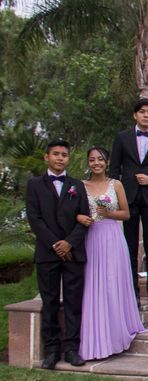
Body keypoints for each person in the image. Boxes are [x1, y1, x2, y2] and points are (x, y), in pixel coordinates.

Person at [76, 147, 146, 360]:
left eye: (100, 159)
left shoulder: (116, 185)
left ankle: (115, 334)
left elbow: (126, 214)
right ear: (88, 163)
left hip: (112, 238)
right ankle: (95, 335)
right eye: (92, 160)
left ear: (107, 162)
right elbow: (73, 211)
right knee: (93, 284)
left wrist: (109, 213)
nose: (96, 163)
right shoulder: (80, 186)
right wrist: (80, 218)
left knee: (111, 283)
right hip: (91, 238)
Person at [26, 139, 90, 369]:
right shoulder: (34, 185)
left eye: (64, 154)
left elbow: (85, 218)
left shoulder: (77, 185)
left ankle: (72, 348)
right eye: (56, 154)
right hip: (48, 253)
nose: (60, 158)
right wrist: (56, 243)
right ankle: (52, 350)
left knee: (74, 302)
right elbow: (35, 219)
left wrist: (69, 243)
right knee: (50, 301)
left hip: (73, 253)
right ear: (47, 157)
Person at [109, 98, 148, 309]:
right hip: (128, 199)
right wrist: (116, 196)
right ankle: (132, 293)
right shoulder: (122, 138)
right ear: (135, 115)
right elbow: (113, 170)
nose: (146, 115)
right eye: (142, 112)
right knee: (129, 247)